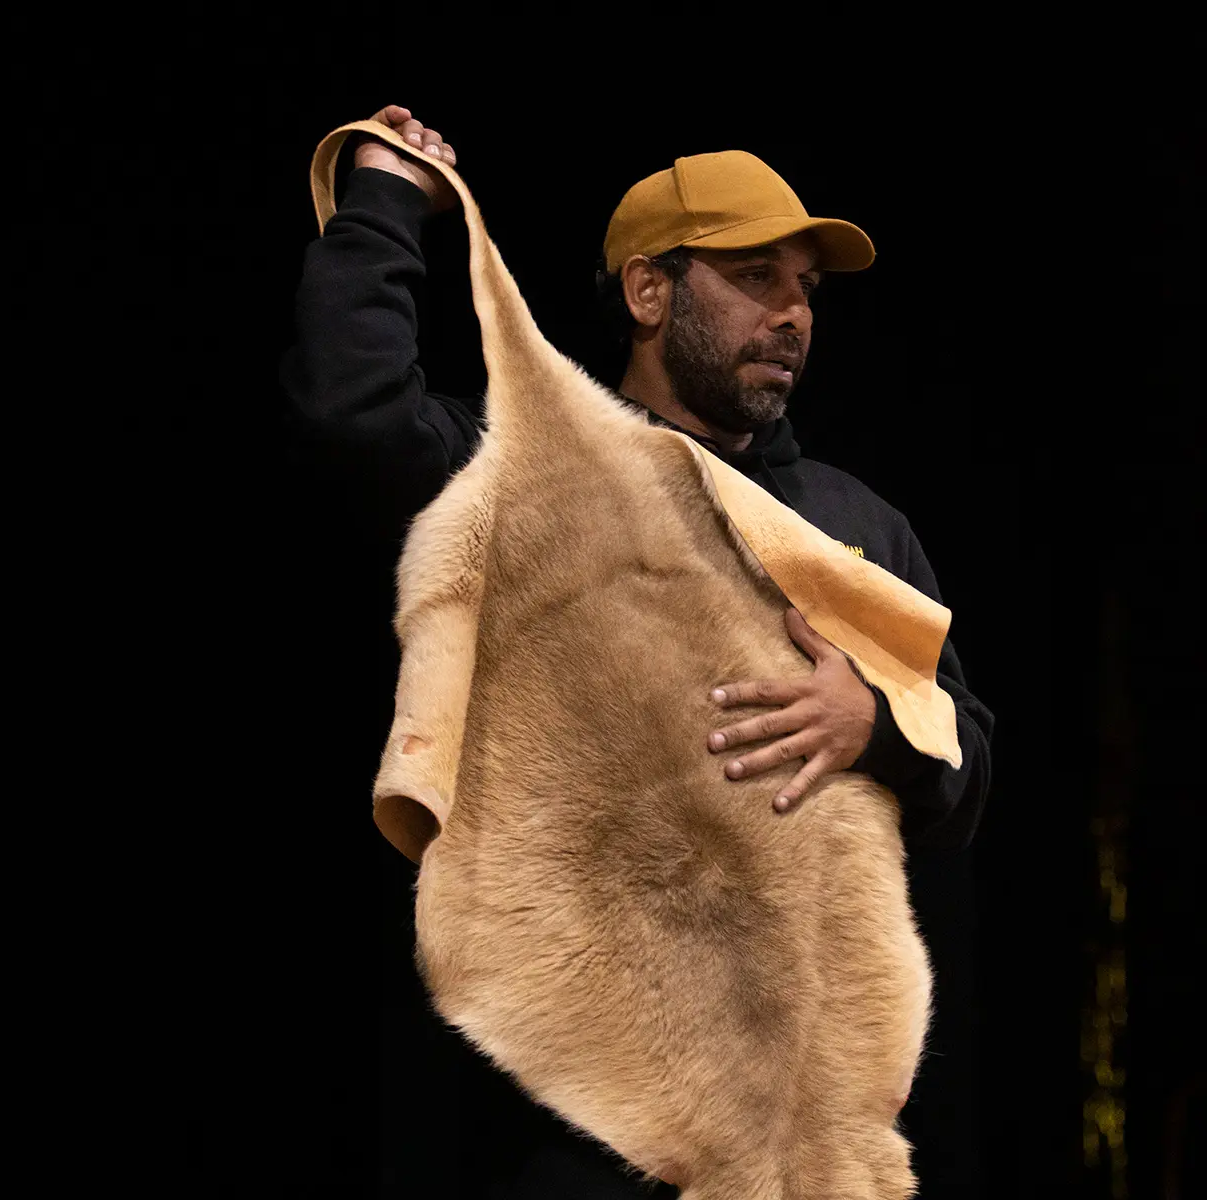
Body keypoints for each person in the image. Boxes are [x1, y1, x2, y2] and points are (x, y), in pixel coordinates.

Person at [282, 104, 994, 1199]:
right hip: (592, 1123)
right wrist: (383, 197)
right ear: (649, 292)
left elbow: (970, 764)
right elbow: (355, 409)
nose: (793, 313)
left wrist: (875, 726)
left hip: (804, 1131)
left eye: (806, 288)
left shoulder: (859, 526)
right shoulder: (531, 477)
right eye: (754, 276)